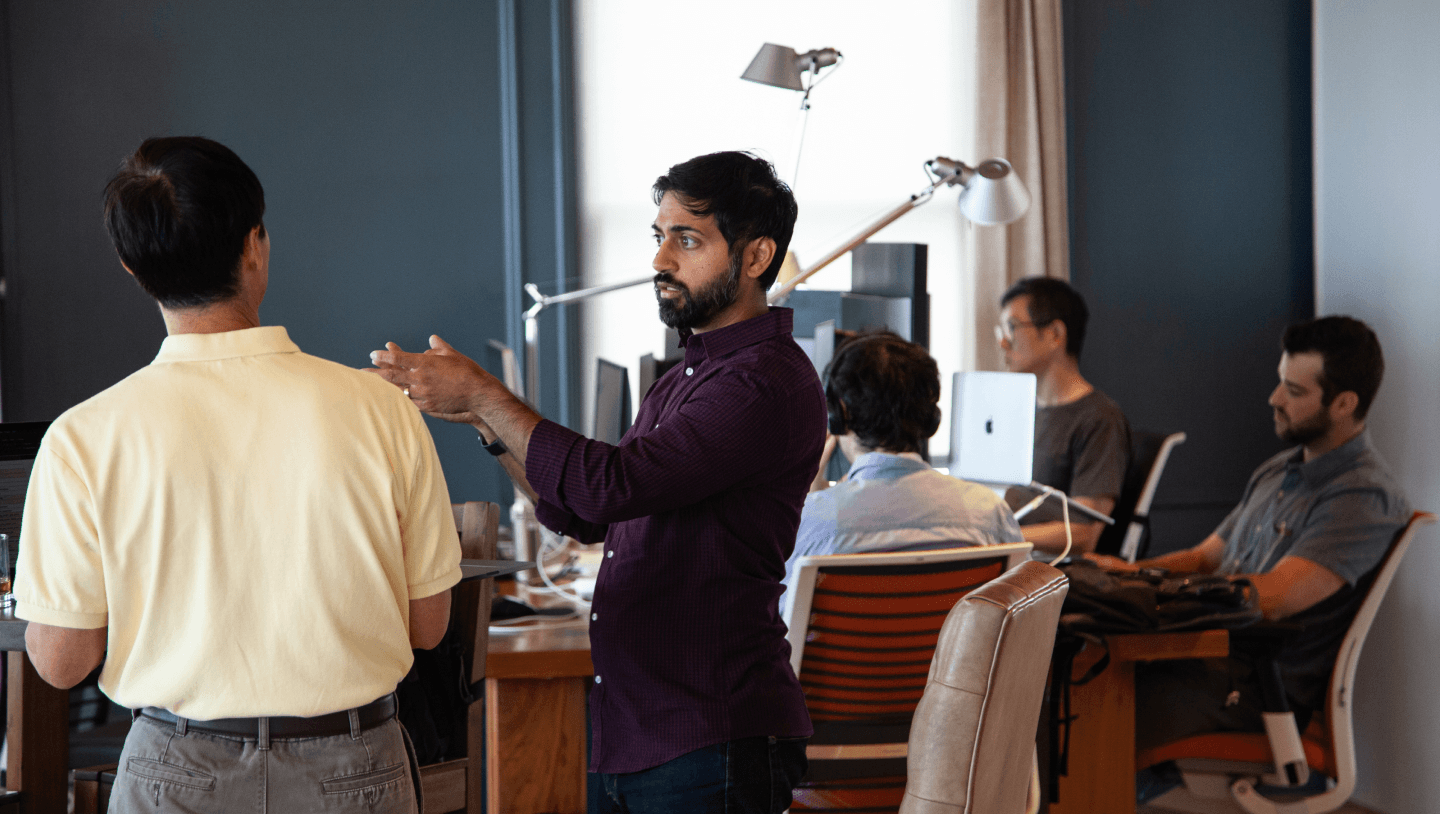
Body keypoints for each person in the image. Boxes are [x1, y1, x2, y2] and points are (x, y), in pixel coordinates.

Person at [14, 137, 460, 814]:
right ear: (256, 245)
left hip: (175, 770)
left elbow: (61, 661)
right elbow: (428, 625)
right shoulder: (381, 410)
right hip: (353, 768)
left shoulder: (82, 437)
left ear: (131, 266)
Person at [370, 151, 824, 813]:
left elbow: (609, 486)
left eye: (688, 239)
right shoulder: (689, 377)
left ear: (756, 258)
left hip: (709, 737)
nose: (661, 259)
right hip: (643, 731)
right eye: (659, 236)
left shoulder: (760, 384)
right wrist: (483, 419)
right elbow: (586, 514)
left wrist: (490, 395)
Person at [1089, 316, 1410, 753]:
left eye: (1294, 391)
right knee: (1076, 673)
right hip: (1207, 657)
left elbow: (1274, 597)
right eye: (1281, 382)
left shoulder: (1362, 495)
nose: (1274, 398)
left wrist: (1155, 593)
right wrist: (1124, 575)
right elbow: (1204, 557)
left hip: (1256, 684)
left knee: (1087, 714)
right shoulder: (1277, 470)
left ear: (1344, 404)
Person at [784, 330, 1023, 596]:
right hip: (949, 639)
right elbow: (1017, 611)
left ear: (839, 415)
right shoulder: (989, 513)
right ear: (931, 416)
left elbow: (782, 615)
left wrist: (816, 501)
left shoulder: (813, 521)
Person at [997, 276, 1130, 555]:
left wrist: (996, 535)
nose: (1003, 344)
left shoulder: (1100, 418)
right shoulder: (1022, 411)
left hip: (1049, 579)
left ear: (1055, 334)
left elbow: (1084, 534)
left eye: (1012, 327)